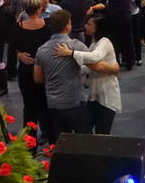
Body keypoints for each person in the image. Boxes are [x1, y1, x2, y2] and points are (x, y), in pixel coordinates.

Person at [33, 10, 118, 142]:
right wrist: (115, 68)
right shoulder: (76, 45)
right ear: (67, 26)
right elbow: (96, 65)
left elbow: (38, 78)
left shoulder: (41, 50)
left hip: (53, 104)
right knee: (85, 140)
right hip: (74, 103)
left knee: (63, 140)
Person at [54, 16, 121, 134]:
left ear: (98, 28)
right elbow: (88, 67)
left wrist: (70, 53)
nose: (85, 26)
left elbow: (94, 58)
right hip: (95, 95)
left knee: (102, 133)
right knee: (86, 128)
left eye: (89, 24)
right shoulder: (94, 43)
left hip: (107, 96)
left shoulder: (104, 41)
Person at [11, 0, 54, 142]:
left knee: (29, 108)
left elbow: (14, 47)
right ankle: (52, 142)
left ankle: (30, 144)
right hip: (45, 71)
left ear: (25, 10)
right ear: (39, 8)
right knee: (46, 106)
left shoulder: (18, 27)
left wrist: (19, 55)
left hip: (26, 71)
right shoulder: (48, 25)